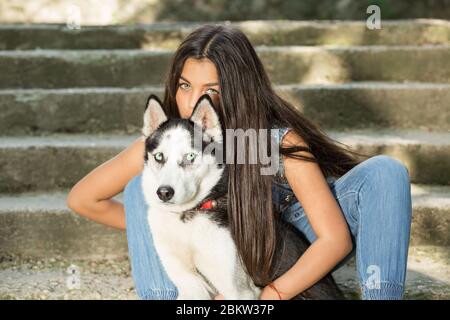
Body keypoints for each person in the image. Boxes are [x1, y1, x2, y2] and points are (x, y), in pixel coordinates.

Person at [67, 24, 412, 300]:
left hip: (288, 242)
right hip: (214, 248)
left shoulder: (271, 141)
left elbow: (334, 239)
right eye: (185, 85)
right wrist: (174, 223)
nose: (191, 101)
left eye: (211, 89)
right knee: (137, 188)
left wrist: (272, 295)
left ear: (238, 88)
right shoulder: (168, 142)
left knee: (387, 171)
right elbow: (83, 199)